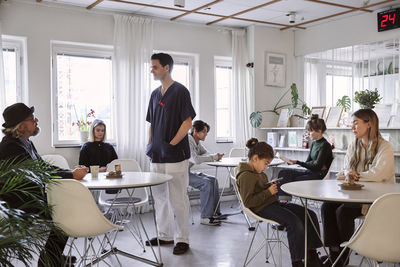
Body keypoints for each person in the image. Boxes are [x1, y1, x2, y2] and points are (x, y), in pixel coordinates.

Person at [0, 103, 88, 267]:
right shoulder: (11, 147)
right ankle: (48, 261)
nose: (36, 120)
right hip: (18, 204)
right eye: (32, 118)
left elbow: (43, 167)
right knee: (65, 215)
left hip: (32, 198)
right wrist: (71, 175)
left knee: (66, 206)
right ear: (21, 125)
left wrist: (70, 171)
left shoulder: (25, 142)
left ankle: (53, 257)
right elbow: (38, 173)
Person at [320, 109, 395, 267]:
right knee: (327, 206)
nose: (352, 127)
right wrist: (349, 173)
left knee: (343, 212)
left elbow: (377, 174)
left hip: (376, 200)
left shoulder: (385, 147)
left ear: (369, 124)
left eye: (355, 123)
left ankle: (342, 258)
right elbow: (345, 170)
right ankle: (335, 255)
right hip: (354, 195)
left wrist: (353, 174)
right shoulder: (353, 145)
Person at [236, 138, 323, 267]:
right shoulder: (246, 176)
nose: (266, 167)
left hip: (271, 204)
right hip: (262, 208)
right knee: (294, 222)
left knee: (309, 214)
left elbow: (259, 189)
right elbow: (248, 202)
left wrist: (269, 186)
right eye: (265, 163)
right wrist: (268, 192)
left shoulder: (256, 171)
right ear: (255, 158)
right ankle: (297, 262)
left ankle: (312, 256)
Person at [145, 53, 196, 255]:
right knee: (160, 198)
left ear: (167, 68)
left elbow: (188, 122)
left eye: (155, 67)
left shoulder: (181, 91)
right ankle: (165, 235)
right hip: (156, 155)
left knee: (178, 198)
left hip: (175, 154)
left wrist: (171, 144)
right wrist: (150, 145)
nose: (152, 70)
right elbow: (151, 123)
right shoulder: (155, 94)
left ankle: (182, 239)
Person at [277, 114, 333, 200]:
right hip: (310, 171)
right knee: (283, 173)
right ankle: (283, 201)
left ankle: (284, 202)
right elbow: (309, 162)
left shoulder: (325, 145)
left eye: (311, 131)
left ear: (319, 131)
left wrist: (299, 162)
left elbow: (317, 167)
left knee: (289, 180)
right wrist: (313, 163)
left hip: (318, 175)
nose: (308, 133)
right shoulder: (314, 143)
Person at [188, 120, 225, 226]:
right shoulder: (188, 140)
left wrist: (215, 156)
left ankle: (215, 213)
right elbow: (195, 159)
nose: (206, 134)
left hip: (188, 172)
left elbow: (205, 153)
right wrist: (213, 157)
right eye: (204, 131)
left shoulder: (197, 143)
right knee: (206, 183)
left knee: (213, 180)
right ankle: (205, 217)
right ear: (195, 131)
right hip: (181, 174)